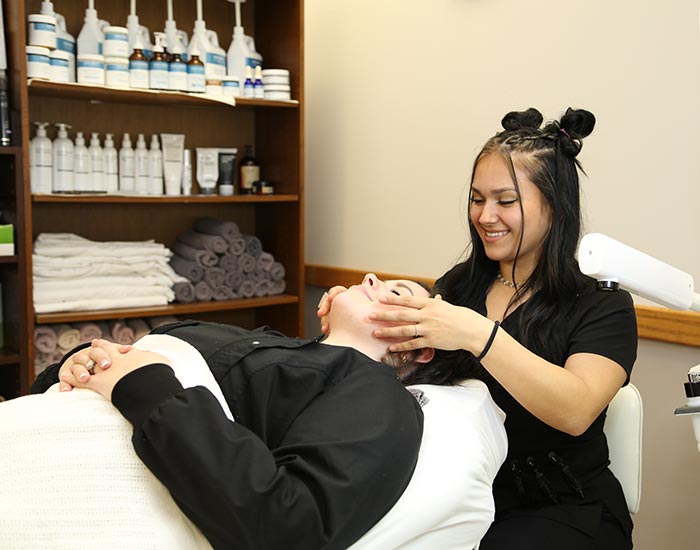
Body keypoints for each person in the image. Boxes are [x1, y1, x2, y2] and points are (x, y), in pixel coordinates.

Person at [318, 108, 638, 549]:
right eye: (476, 199)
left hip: (565, 509)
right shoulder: (458, 287)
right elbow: (412, 375)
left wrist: (478, 335)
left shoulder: (603, 306)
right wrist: (356, 317)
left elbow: (575, 410)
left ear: (555, 205)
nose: (486, 216)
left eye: (505, 201)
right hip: (459, 493)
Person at [24, 273, 505, 550]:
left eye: (398, 294)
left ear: (419, 349)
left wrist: (142, 385)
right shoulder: (274, 347)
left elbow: (286, 525)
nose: (371, 278)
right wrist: (76, 365)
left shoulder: (372, 393)